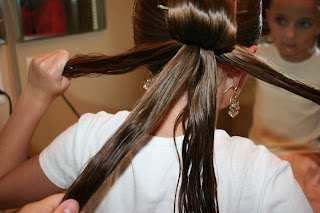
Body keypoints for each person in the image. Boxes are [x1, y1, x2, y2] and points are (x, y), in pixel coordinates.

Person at [0, 0, 319, 212]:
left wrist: (35, 94)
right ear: (243, 66)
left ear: (144, 50)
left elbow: (3, 191)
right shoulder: (265, 177)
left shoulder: (90, 139)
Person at [249, 0, 320, 211]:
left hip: (309, 163)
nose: (290, 34)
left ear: (318, 24)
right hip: (261, 156)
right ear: (268, 17)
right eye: (281, 21)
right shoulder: (258, 56)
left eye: (304, 24)